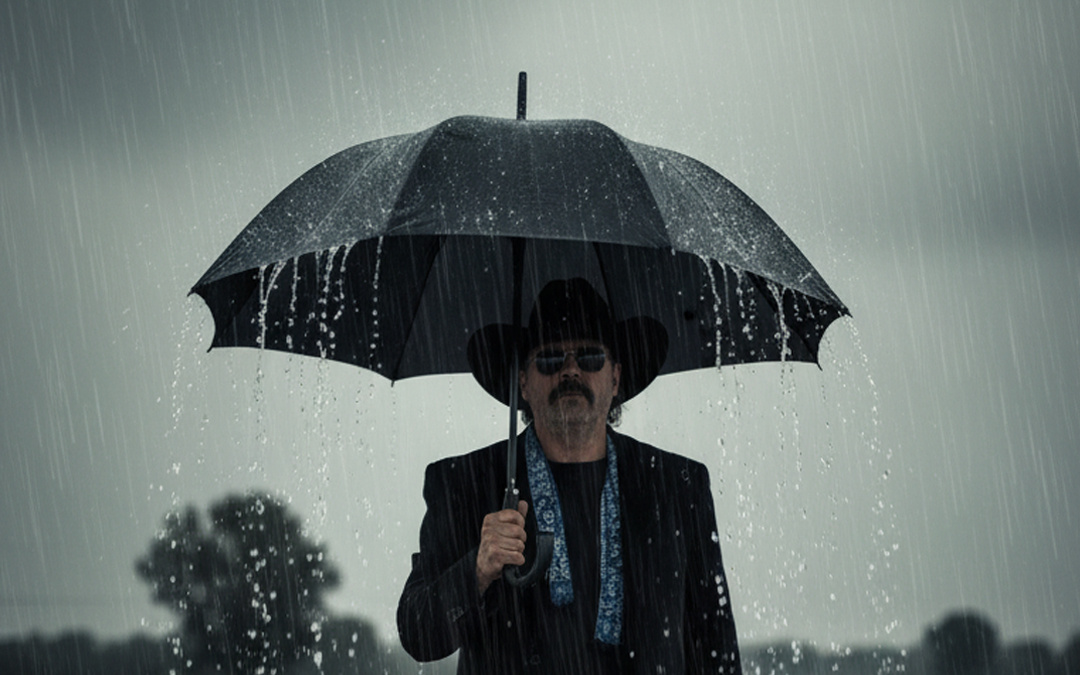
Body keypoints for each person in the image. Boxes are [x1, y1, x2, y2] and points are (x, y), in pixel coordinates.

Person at [397, 278, 741, 675]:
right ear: (523, 381)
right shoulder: (464, 483)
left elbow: (715, 645)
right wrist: (478, 567)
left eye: (591, 358)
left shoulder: (677, 485)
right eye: (549, 359)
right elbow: (418, 634)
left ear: (614, 378)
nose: (570, 370)